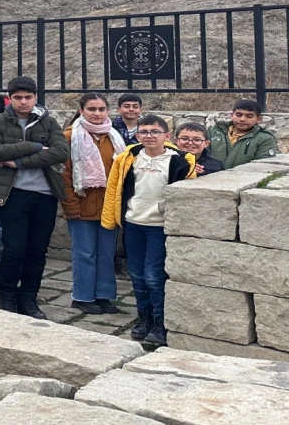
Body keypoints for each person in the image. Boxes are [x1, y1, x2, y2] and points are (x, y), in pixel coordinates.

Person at [101, 115, 196, 345]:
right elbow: (114, 188)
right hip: (134, 223)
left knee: (154, 276)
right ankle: (143, 317)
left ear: (167, 136)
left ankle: (159, 321)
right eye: (144, 132)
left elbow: (187, 194)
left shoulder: (180, 161)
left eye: (155, 132)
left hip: (159, 226)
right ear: (137, 135)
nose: (149, 136)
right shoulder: (128, 158)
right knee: (137, 275)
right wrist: (110, 219)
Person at [0, 76, 70, 319]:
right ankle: (7, 296)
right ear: (10, 98)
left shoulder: (48, 122)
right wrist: (33, 147)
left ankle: (29, 298)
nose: (23, 102)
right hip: (13, 195)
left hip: (44, 195)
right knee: (13, 250)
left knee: (37, 250)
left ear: (35, 98)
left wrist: (19, 162)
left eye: (28, 97)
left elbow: (62, 152)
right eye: (18, 97)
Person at [60, 93, 126, 315]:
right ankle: (82, 296)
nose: (97, 113)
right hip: (81, 205)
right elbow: (64, 175)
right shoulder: (70, 137)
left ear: (108, 111)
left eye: (101, 109)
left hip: (108, 206)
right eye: (91, 109)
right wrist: (71, 206)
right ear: (81, 111)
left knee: (106, 253)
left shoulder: (114, 137)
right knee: (85, 253)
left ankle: (104, 296)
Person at [209, 99, 279, 169]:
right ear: (232, 115)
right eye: (238, 115)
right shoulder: (214, 131)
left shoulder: (264, 138)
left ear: (258, 119)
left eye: (249, 116)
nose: (242, 119)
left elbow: (262, 165)